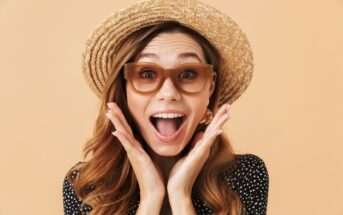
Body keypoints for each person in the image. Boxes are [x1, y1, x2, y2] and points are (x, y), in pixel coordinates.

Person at [62, 0, 269, 214]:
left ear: (210, 87)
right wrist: (151, 197)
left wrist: (181, 195)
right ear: (124, 90)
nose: (169, 93)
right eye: (147, 74)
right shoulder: (85, 185)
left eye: (188, 74)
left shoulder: (245, 174)